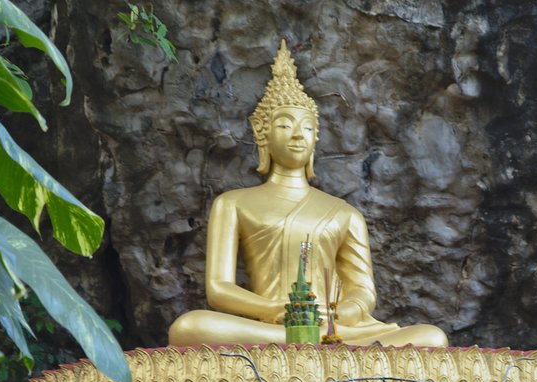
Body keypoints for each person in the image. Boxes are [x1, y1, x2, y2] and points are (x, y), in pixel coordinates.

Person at [168, 41, 448, 348]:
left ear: (316, 138)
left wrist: (340, 313)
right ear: (262, 133)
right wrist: (276, 310)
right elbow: (219, 288)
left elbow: (363, 291)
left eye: (307, 128)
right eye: (285, 125)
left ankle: (319, 348)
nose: (298, 135)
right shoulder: (233, 203)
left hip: (335, 331)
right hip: (272, 328)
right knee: (191, 326)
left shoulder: (344, 213)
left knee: (430, 338)